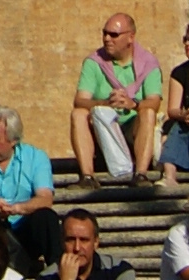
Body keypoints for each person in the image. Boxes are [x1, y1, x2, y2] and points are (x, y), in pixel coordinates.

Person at [69, 19, 164, 181]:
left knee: (147, 112)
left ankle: (141, 175)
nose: (107, 38)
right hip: (101, 129)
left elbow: (154, 102)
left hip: (132, 128)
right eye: (104, 33)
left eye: (114, 34)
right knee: (78, 114)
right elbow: (80, 100)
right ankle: (87, 177)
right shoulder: (94, 62)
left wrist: (133, 104)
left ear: (130, 37)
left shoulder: (148, 63)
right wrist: (106, 104)